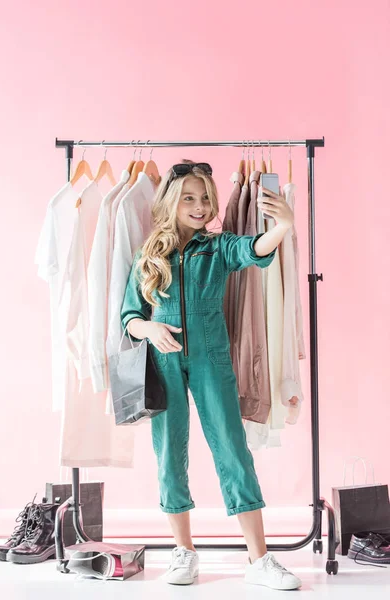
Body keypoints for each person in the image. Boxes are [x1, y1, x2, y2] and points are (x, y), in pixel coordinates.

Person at [121, 160, 302, 590]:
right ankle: (183, 553)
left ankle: (259, 560)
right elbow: (129, 316)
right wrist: (149, 327)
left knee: (233, 451)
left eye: (205, 198)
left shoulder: (217, 247)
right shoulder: (150, 254)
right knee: (169, 453)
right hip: (163, 363)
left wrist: (283, 227)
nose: (200, 206)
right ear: (171, 202)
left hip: (212, 360)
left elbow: (253, 250)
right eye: (189, 198)